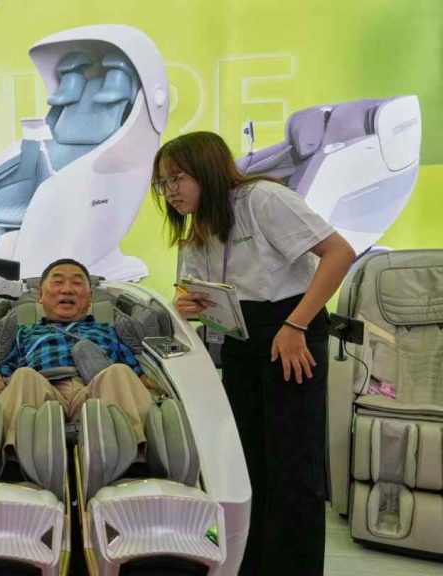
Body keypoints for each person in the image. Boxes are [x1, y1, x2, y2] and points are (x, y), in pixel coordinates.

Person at [153, 131, 355, 576]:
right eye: (163, 182)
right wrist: (188, 305)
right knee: (247, 465)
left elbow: (339, 253)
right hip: (239, 342)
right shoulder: (198, 228)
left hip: (290, 332)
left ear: (206, 170)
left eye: (177, 178)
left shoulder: (263, 199)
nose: (169, 191)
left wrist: (296, 325)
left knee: (292, 466)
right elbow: (196, 292)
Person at [0, 258, 155, 450]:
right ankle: (14, 456)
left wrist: (163, 388)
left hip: (97, 391)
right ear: (41, 294)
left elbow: (136, 375)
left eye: (77, 283)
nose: (67, 290)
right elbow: (3, 373)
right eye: (57, 282)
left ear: (90, 296)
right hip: (43, 390)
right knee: (23, 375)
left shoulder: (109, 330)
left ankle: (136, 453)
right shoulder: (24, 333)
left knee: (119, 371)